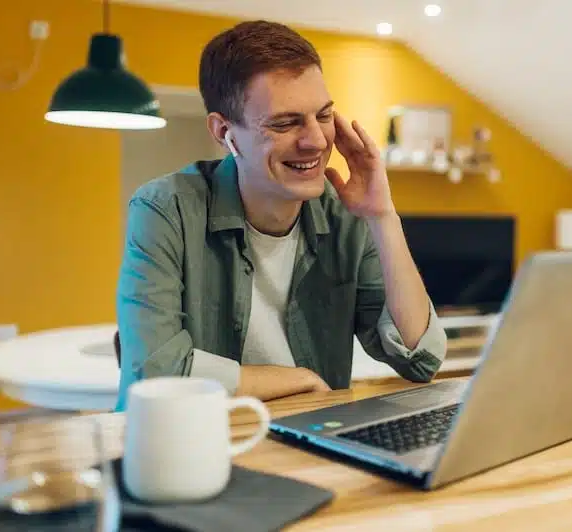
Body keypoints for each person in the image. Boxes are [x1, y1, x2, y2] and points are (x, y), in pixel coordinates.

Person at [114, 20, 447, 411]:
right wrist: (298, 379)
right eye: (285, 123)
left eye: (323, 116)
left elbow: (418, 358)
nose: (316, 141)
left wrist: (383, 215)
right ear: (224, 132)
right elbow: (157, 373)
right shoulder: (164, 208)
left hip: (307, 449)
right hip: (186, 447)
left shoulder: (346, 215)